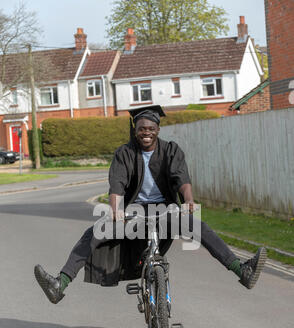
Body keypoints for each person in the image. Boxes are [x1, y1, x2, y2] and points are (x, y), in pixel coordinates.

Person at [34, 105, 267, 305]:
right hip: (132, 212)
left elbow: (181, 178)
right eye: (141, 129)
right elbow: (117, 183)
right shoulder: (124, 153)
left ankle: (242, 271)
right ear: (135, 130)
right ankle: (59, 284)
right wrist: (116, 210)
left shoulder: (171, 150)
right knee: (94, 232)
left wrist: (188, 201)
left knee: (199, 228)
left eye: (151, 129)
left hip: (166, 209)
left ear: (158, 130)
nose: (146, 133)